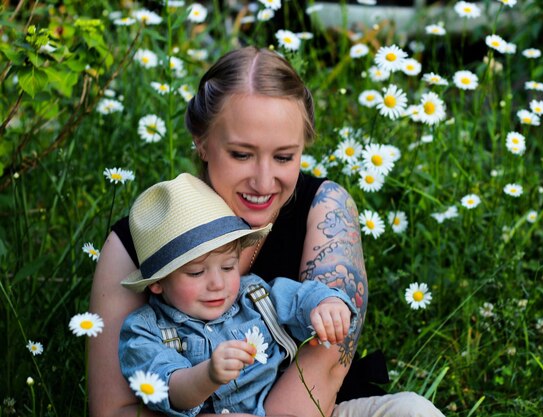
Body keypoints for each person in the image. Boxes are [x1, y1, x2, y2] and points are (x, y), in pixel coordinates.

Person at [89, 45, 445, 417]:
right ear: (202, 142)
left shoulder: (324, 210)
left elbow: (322, 366)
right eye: (241, 154)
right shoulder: (141, 240)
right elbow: (114, 410)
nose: (263, 182)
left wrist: (328, 307)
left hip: (312, 411)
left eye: (284, 157)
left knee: (414, 411)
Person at [118, 173, 358, 416]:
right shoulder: (144, 331)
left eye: (228, 267)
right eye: (196, 272)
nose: (217, 284)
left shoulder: (254, 295)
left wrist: (327, 304)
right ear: (158, 282)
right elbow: (168, 389)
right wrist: (207, 375)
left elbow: (300, 298)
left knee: (396, 408)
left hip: (300, 407)